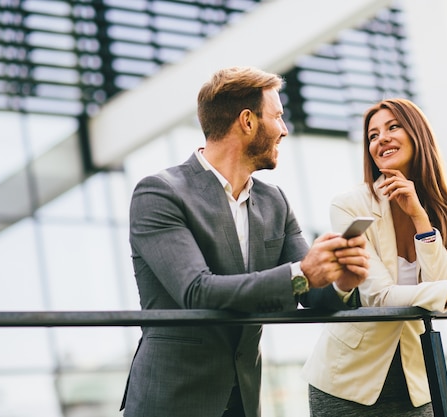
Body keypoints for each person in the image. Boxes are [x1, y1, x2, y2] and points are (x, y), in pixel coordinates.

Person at [119, 66, 370, 417]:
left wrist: (341, 280)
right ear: (248, 121)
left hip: (244, 399)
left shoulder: (275, 201)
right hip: (172, 398)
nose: (283, 130)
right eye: (278, 117)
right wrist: (303, 272)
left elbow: (311, 294)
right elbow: (197, 291)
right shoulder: (159, 193)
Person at [302, 98, 447, 417]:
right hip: (347, 383)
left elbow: (440, 290)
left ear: (417, 134)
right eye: (373, 135)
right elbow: (379, 297)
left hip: (416, 382)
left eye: (393, 127)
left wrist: (420, 218)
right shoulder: (349, 205)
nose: (382, 139)